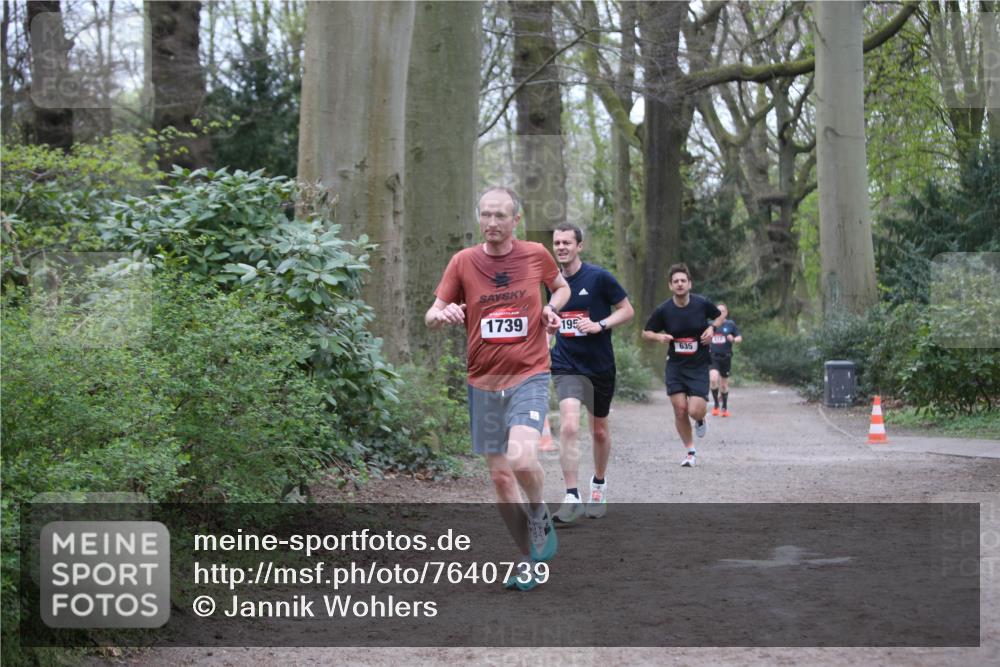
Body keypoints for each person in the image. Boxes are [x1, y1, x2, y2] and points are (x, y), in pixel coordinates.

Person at [425, 186, 571, 591]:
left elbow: (561, 288)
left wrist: (550, 308)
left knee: (521, 460)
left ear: (515, 220)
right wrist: (443, 314)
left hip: (529, 373)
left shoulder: (536, 254)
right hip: (483, 381)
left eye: (500, 215)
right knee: (502, 479)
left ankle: (538, 513)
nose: (492, 222)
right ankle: (527, 559)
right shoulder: (463, 261)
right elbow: (431, 314)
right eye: (486, 214)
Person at [547, 223, 634, 524]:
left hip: (599, 365)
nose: (561, 247)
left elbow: (627, 310)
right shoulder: (550, 282)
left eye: (567, 242)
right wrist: (546, 336)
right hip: (566, 363)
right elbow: (548, 318)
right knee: (570, 426)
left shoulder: (599, 278)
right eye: (557, 243)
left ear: (579, 246)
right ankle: (571, 496)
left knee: (599, 431)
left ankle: (598, 485)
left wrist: (600, 325)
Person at [641, 263, 723, 467]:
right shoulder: (664, 310)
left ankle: (701, 419)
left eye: (683, 281)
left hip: (698, 365)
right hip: (676, 366)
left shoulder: (701, 304)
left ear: (689, 284)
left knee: (694, 410)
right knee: (679, 409)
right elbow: (646, 332)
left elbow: (719, 315)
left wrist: (712, 329)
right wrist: (659, 337)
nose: (679, 284)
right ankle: (690, 451)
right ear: (670, 285)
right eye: (675, 281)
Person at [709, 303, 742, 417]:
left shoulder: (730, 324)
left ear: (726, 313)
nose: (720, 313)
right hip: (713, 357)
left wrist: (733, 339)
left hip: (726, 357)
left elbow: (739, 337)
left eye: (722, 311)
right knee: (713, 379)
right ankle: (716, 405)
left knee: (723, 385)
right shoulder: (710, 324)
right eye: (718, 311)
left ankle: (724, 407)